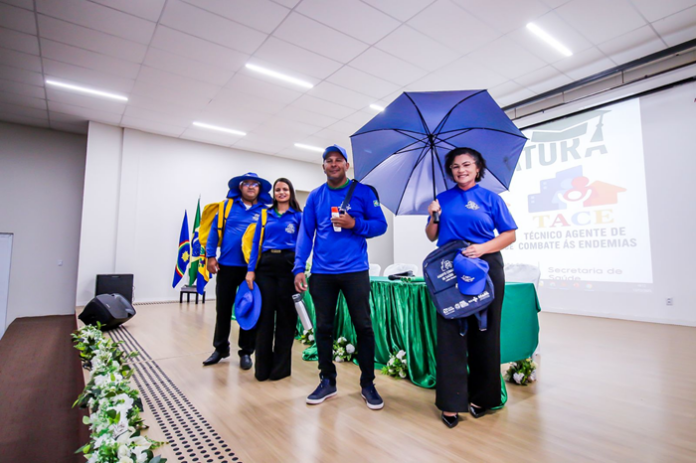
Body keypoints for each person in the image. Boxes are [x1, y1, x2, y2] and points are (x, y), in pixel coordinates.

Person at [425, 147, 517, 428]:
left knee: (485, 332)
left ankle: (482, 398)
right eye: (455, 166)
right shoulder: (442, 199)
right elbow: (432, 236)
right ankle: (451, 403)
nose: (460, 170)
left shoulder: (491, 198)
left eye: (466, 164)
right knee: (450, 333)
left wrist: (482, 248)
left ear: (478, 168)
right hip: (449, 268)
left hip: (485, 265)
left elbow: (509, 234)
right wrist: (434, 215)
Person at [293, 144, 388, 410]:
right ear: (323, 166)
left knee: (364, 327)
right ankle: (327, 381)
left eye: (338, 160)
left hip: (355, 271)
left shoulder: (364, 192)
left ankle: (368, 384)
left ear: (347, 165)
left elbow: (380, 225)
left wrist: (355, 224)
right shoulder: (315, 196)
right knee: (323, 328)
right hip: (322, 273)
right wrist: (299, 267)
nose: (333, 164)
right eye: (329, 160)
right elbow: (305, 234)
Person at [203, 172, 272, 369]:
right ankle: (220, 348)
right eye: (246, 183)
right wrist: (210, 256)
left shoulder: (266, 212)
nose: (250, 187)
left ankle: (246, 352)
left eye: (255, 184)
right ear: (240, 187)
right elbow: (213, 233)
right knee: (223, 309)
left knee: (250, 310)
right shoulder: (226, 207)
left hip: (252, 270)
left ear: (259, 189)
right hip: (227, 267)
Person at [245, 178, 302, 381]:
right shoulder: (264, 215)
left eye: (285, 189)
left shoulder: (298, 216)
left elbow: (302, 245)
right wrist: (250, 270)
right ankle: (262, 369)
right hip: (266, 267)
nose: (281, 192)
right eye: (278, 189)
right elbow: (255, 244)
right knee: (264, 318)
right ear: (274, 194)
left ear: (290, 192)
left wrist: (300, 269)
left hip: (289, 266)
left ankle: (280, 370)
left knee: (287, 319)